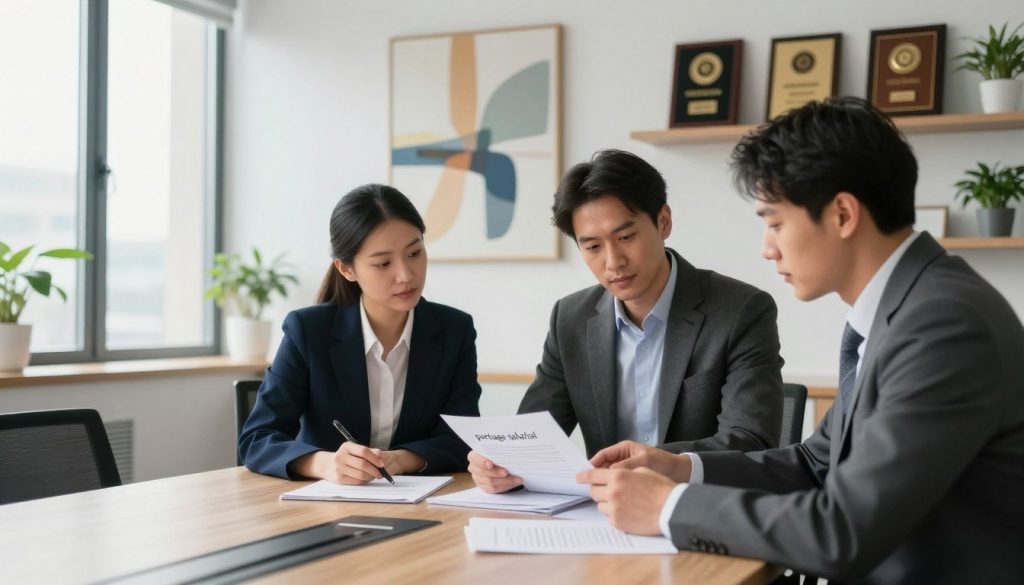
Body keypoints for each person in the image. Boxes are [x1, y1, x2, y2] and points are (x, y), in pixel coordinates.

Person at [577, 98, 1024, 584]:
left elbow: (842, 532)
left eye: (774, 222)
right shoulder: (907, 308)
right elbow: (816, 464)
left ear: (843, 215)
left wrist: (669, 507)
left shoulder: (944, 326)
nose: (767, 248)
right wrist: (682, 469)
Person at [470, 149, 785, 493]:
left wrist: (654, 463)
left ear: (663, 221)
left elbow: (751, 441)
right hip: (603, 516)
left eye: (625, 237)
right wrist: (499, 464)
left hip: (700, 510)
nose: (613, 262)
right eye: (592, 247)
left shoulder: (740, 310)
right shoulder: (571, 319)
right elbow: (533, 436)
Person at [239, 184, 482, 483]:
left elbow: (463, 437)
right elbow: (257, 438)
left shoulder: (454, 330)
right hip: (322, 506)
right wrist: (323, 464)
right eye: (383, 263)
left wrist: (398, 460)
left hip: (424, 502)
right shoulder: (308, 331)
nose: (406, 274)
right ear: (346, 269)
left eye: (415, 252)